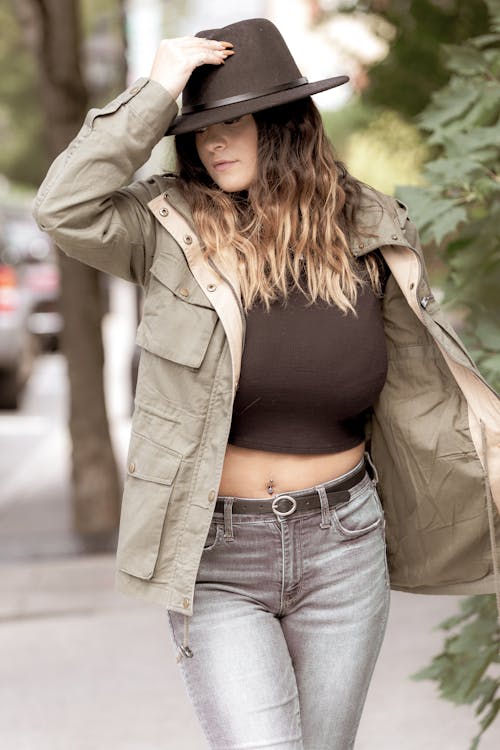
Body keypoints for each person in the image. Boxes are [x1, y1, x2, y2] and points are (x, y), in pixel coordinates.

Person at [34, 17, 500, 750]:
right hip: (216, 554)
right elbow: (62, 205)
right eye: (197, 129)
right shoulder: (164, 229)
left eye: (234, 121)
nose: (211, 142)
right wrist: (157, 91)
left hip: (345, 544)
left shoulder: (369, 228)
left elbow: (424, 388)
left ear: (283, 124)